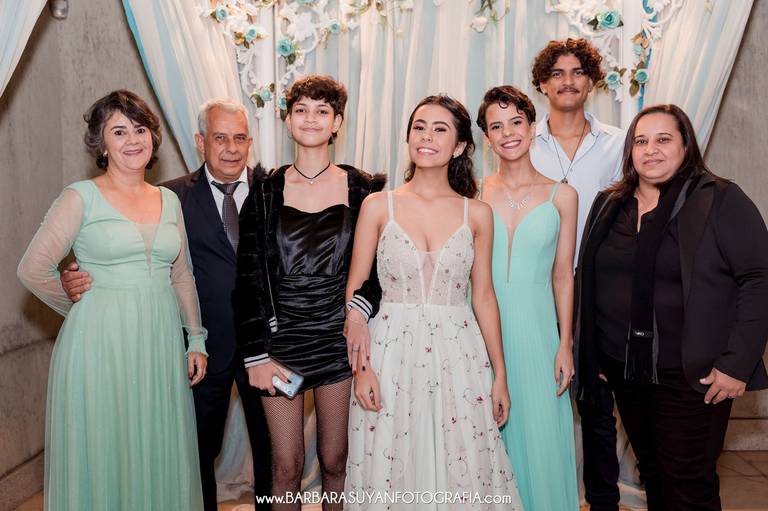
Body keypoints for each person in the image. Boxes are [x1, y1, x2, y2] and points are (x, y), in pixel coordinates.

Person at [60, 99, 273, 511]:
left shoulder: (275, 192)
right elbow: (127, 251)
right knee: (195, 452)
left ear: (250, 142)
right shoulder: (169, 196)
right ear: (200, 142)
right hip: (199, 351)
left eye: (240, 138)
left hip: (266, 347)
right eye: (220, 137)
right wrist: (75, 275)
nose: (231, 148)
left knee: (274, 450)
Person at [18, 90, 207, 510]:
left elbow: (181, 275)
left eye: (140, 129)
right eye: (118, 131)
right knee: (108, 449)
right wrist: (79, 307)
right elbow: (32, 268)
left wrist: (196, 338)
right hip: (100, 346)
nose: (132, 140)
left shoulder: (169, 200)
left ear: (152, 138)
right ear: (101, 144)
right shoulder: (80, 197)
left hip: (159, 344)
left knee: (154, 447)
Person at [574, 104, 768, 510]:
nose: (651, 150)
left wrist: (737, 364)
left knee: (689, 486)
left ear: (686, 146)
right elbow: (589, 280)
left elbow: (759, 279)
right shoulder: (610, 204)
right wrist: (595, 355)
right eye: (641, 141)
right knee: (655, 475)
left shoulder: (719, 199)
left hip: (695, 377)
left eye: (663, 139)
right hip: (628, 373)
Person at [344, 95, 523, 509]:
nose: (427, 137)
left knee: (463, 459)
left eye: (440, 129)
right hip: (389, 352)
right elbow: (355, 294)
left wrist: (500, 374)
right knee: (391, 461)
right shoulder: (378, 205)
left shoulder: (477, 214)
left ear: (459, 146)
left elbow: (484, 296)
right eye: (419, 127)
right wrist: (362, 369)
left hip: (459, 354)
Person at [234, 74, 385, 510]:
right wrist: (255, 354)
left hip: (338, 341)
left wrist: (358, 314)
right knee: (285, 465)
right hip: (279, 344)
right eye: (301, 110)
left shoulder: (364, 190)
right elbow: (247, 279)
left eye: (322, 111)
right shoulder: (264, 191)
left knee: (336, 461)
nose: (311, 118)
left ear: (337, 122)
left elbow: (378, 270)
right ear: (287, 121)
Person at [530, 37, 627, 510]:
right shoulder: (523, 140)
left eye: (577, 72)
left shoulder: (620, 142)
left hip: (598, 291)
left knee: (596, 402)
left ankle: (602, 501)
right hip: (534, 287)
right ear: (542, 84)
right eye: (557, 73)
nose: (567, 81)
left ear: (591, 82)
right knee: (534, 395)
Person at [476, 85, 579, 510]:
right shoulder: (473, 192)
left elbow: (563, 276)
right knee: (483, 439)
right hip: (480, 331)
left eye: (516, 122)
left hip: (538, 335)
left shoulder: (563, 195)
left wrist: (565, 343)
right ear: (486, 137)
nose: (508, 133)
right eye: (496, 126)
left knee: (540, 439)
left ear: (533, 127)